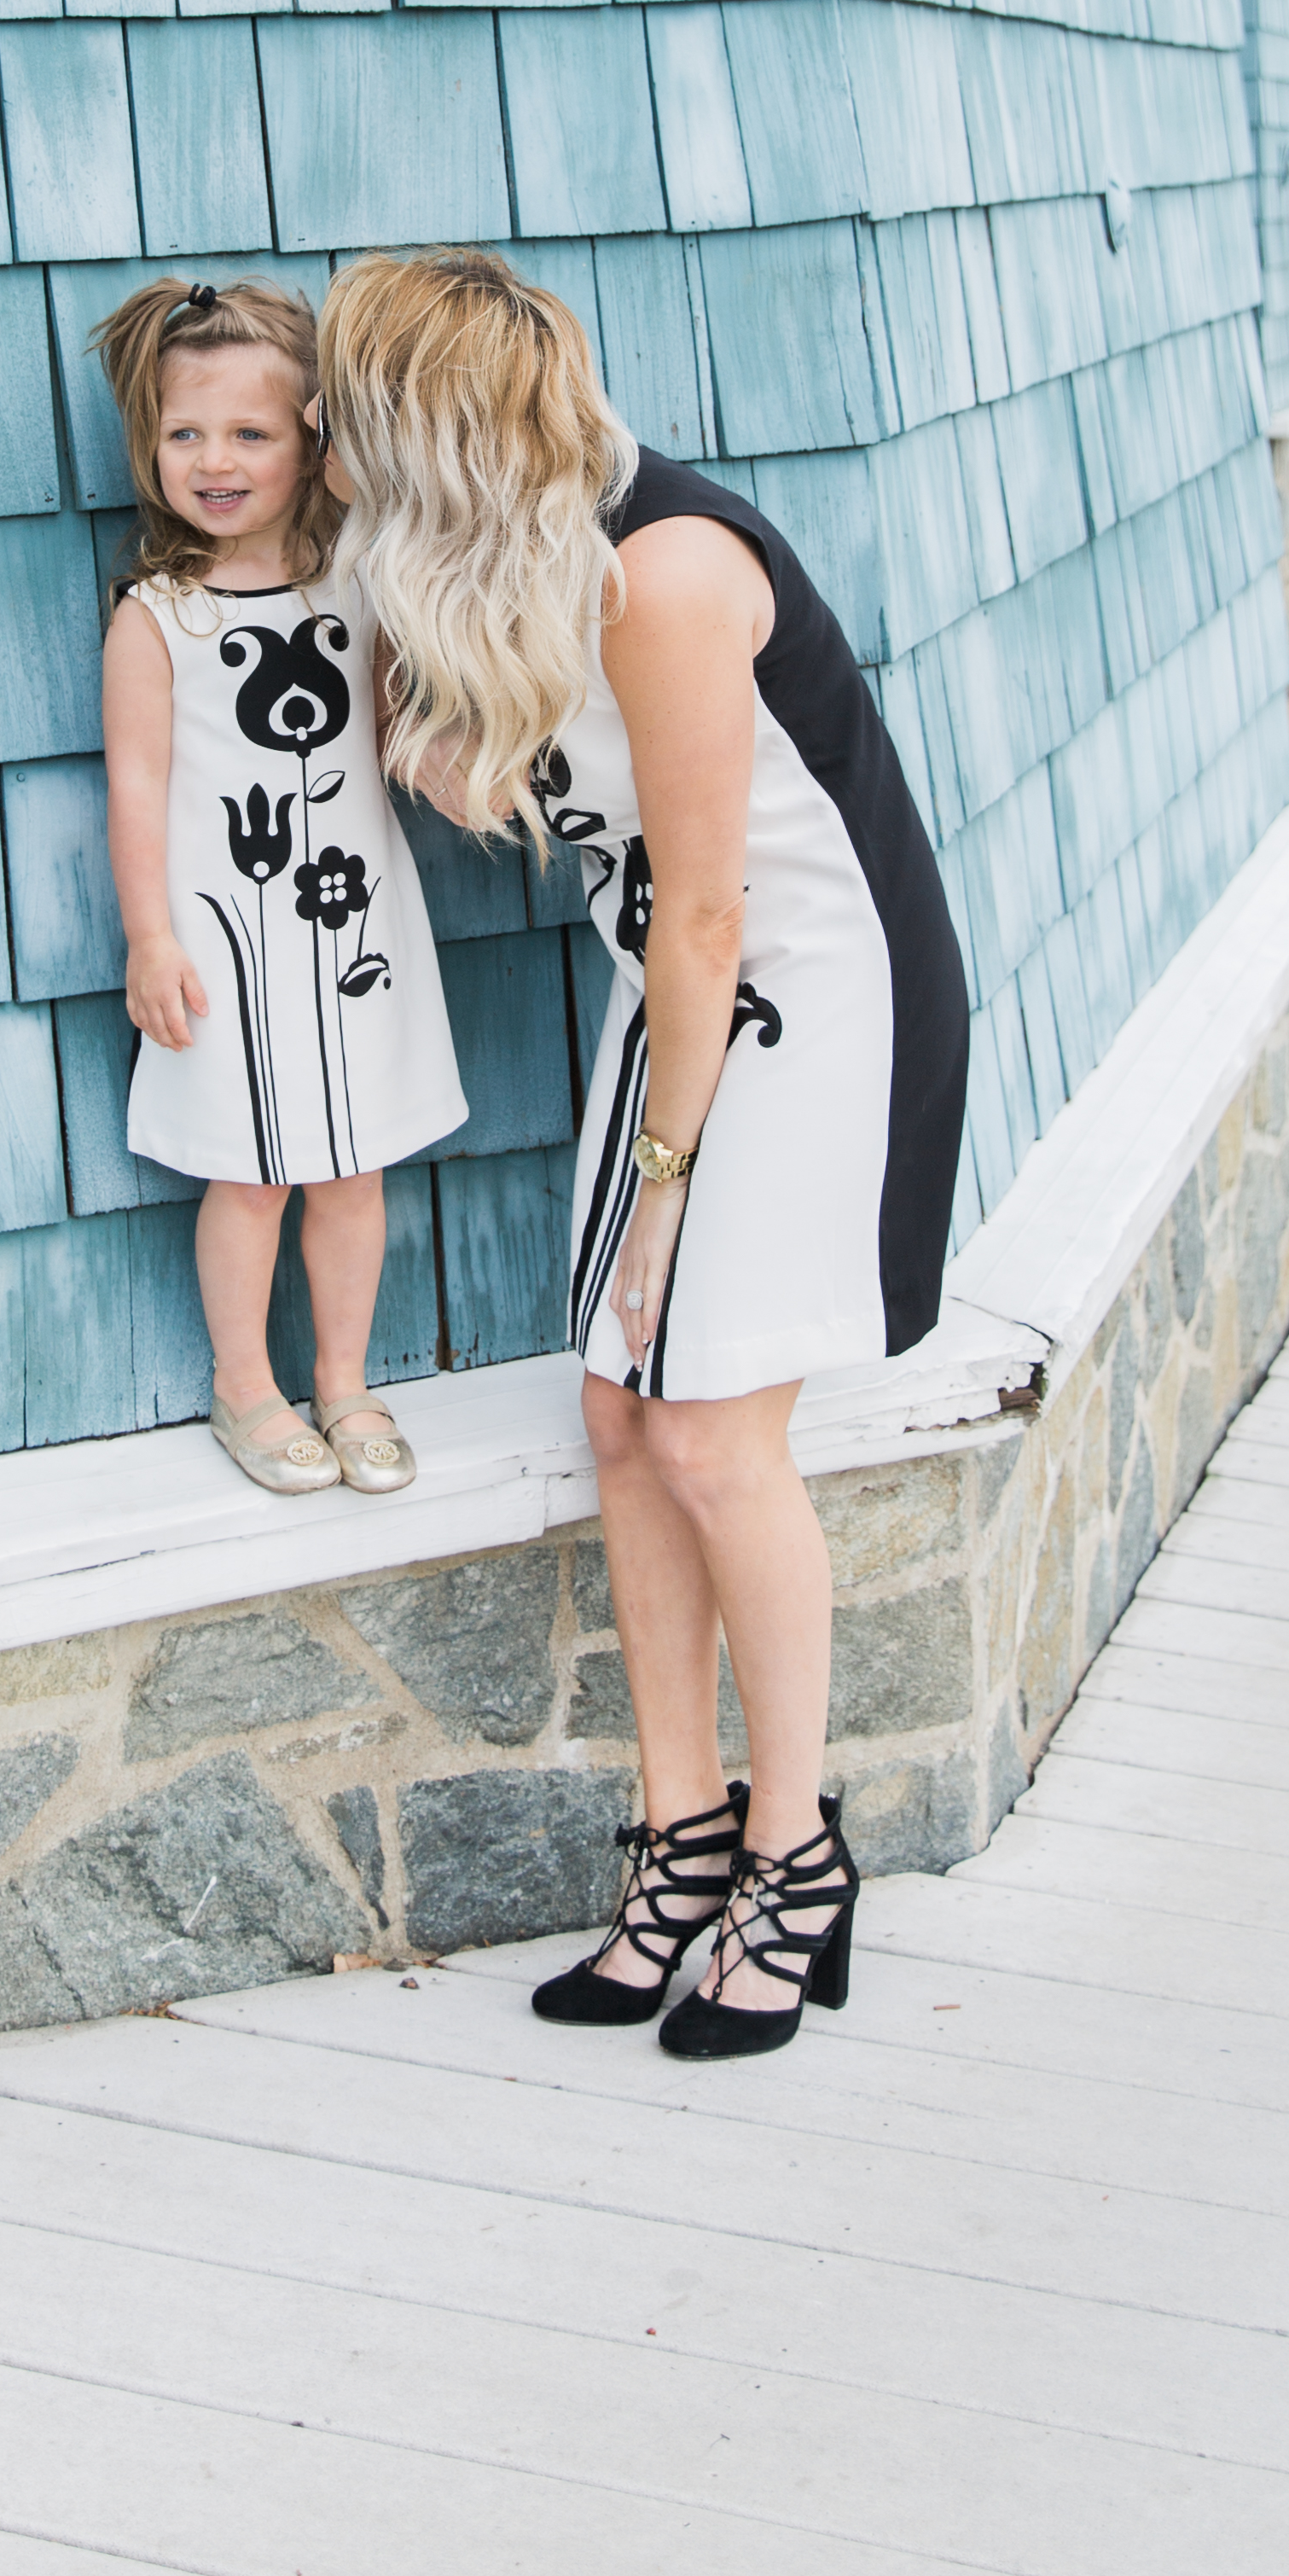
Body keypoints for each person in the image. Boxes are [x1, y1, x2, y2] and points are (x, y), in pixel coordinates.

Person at [314, 249, 972, 2059]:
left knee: (706, 1424)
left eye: (345, 419)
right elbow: (509, 797)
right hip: (683, 994)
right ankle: (677, 1837)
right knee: (614, 1414)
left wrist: (665, 1195)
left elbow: (710, 916)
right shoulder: (504, 554)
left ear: (422, 430)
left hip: (811, 997)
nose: (315, 444)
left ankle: (795, 1854)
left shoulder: (670, 572)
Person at [97, 275, 464, 1501]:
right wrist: (150, 938)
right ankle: (246, 1383)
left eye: (250, 433)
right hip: (224, 935)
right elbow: (139, 788)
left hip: (352, 924)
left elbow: (402, 729)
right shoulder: (162, 618)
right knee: (248, 1172)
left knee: (352, 1166)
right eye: (186, 432)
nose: (216, 459)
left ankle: (347, 1375)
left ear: (313, 440)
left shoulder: (360, 583)